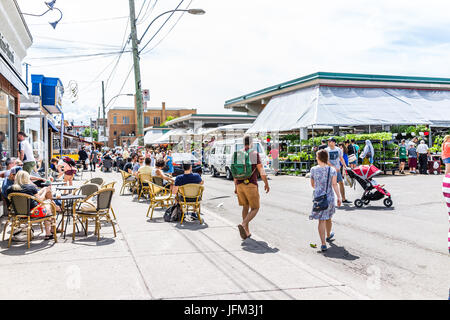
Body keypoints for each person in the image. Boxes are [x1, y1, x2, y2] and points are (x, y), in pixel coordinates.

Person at [234, 135, 270, 240]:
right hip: (251, 184)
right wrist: (266, 183)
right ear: (251, 143)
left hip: (240, 185)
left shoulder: (238, 154)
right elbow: (261, 169)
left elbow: (235, 172)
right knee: (255, 208)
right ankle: (244, 224)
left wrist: (236, 186)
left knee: (245, 206)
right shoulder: (253, 154)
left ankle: (247, 232)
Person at [6, 171, 55, 240]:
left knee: (47, 203)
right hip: (33, 213)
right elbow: (40, 200)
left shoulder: (9, 189)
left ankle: (51, 229)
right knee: (49, 204)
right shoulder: (30, 187)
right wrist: (45, 191)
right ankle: (48, 233)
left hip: (18, 214)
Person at [310, 149, 342, 252]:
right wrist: (339, 197)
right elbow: (334, 184)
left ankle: (323, 244)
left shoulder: (313, 169)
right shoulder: (331, 170)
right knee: (328, 217)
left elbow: (313, 185)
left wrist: (319, 188)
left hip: (319, 198)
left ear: (318, 158)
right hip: (329, 197)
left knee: (321, 220)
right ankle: (328, 235)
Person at [326, 138, 350, 204]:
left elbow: (341, 159)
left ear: (333, 142)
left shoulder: (338, 149)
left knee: (341, 183)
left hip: (337, 170)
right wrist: (333, 167)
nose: (328, 143)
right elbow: (326, 161)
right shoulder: (326, 150)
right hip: (329, 170)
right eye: (328, 142)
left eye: (329, 141)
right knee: (329, 185)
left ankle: (344, 199)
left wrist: (345, 166)